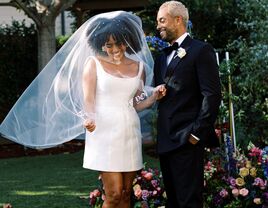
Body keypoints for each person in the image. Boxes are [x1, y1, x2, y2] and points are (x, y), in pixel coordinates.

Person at [0, 11, 165, 208]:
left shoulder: (139, 68)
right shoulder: (93, 64)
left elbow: (136, 103)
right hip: (103, 132)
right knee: (112, 194)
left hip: (129, 131)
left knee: (126, 193)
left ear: (127, 41)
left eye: (118, 43)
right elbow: (88, 101)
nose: (114, 49)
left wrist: (154, 95)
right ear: (100, 44)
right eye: (108, 44)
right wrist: (88, 118)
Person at [154, 1, 221, 207]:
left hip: (187, 139)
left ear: (178, 19)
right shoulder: (160, 57)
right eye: (157, 22)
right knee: (173, 201)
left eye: (162, 20)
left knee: (189, 201)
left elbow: (212, 95)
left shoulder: (201, 50)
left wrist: (196, 134)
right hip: (166, 139)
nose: (158, 26)